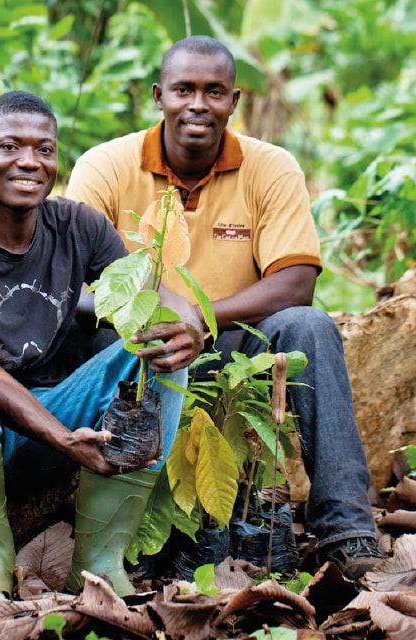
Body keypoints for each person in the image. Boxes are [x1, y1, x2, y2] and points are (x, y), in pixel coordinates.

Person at [66, 36, 383, 580]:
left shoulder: (271, 168)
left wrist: (198, 315)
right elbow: (74, 288)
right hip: (139, 352)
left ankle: (348, 532)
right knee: (107, 339)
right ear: (157, 95)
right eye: (184, 89)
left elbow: (296, 281)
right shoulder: (106, 167)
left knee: (310, 327)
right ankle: (127, 531)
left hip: (236, 349)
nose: (198, 104)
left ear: (234, 101)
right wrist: (163, 321)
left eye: (214, 92)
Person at [0, 90, 204, 597]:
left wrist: (188, 322)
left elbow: (153, 291)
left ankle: (102, 561)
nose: (29, 162)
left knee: (160, 346)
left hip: (53, 408)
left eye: (44, 149)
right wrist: (63, 439)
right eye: (10, 146)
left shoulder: (79, 225)